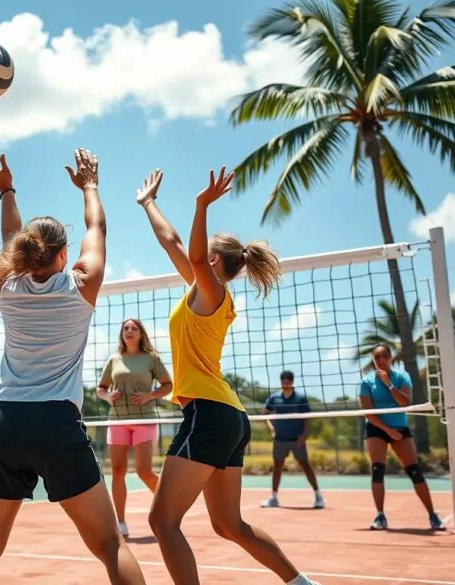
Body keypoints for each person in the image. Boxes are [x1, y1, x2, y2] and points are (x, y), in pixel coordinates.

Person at [0, 149, 146, 585]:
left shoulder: (6, 284)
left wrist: (5, 189)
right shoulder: (82, 285)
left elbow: (8, 236)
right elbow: (97, 227)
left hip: (4, 421)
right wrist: (90, 185)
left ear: (22, 254)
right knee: (110, 545)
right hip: (56, 422)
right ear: (63, 255)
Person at [138, 168, 319, 585]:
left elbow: (194, 255)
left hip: (209, 413)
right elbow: (175, 244)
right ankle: (302, 584)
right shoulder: (204, 291)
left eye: (206, 256)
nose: (199, 258)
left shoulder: (213, 290)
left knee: (162, 521)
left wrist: (201, 205)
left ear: (215, 261)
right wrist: (148, 204)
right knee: (229, 525)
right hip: (227, 416)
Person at [96, 317, 172, 538]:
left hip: (144, 419)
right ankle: (120, 522)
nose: (129, 331)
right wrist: (108, 397)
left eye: (134, 328)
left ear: (141, 333)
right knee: (118, 471)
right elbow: (101, 389)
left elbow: (168, 385)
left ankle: (169, 509)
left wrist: (149, 395)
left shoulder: (151, 358)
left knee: (144, 471)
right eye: (126, 328)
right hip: (118, 419)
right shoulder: (114, 359)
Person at [360, 344, 445, 531]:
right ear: (373, 360)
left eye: (384, 356)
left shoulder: (402, 377)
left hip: (399, 426)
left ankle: (432, 515)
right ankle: (380, 516)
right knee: (377, 469)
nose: (380, 360)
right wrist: (387, 430)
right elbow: (368, 412)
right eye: (376, 357)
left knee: (414, 470)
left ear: (390, 358)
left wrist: (388, 385)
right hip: (377, 428)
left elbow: (406, 402)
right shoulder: (366, 381)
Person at [261, 370, 324, 509]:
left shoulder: (300, 398)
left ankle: (318, 496)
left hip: (297, 440)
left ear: (292, 381)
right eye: (284, 379)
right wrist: (270, 428)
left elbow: (307, 417)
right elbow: (265, 413)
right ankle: (274, 497)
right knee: (277, 466)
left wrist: (304, 435)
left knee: (305, 466)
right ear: (281, 381)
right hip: (280, 439)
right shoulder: (275, 397)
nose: (286, 382)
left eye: (289, 379)